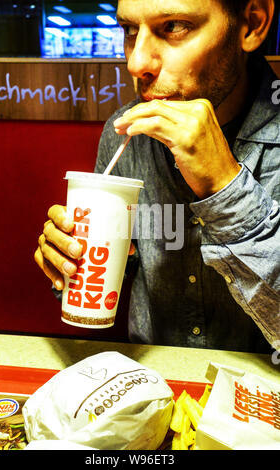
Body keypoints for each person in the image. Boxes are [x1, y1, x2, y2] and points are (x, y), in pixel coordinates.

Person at [35, 0, 280, 353]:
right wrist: (70, 258)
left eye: (174, 26)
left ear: (252, 25)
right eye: (130, 31)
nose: (135, 64)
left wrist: (225, 186)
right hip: (154, 380)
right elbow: (124, 260)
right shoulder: (124, 134)